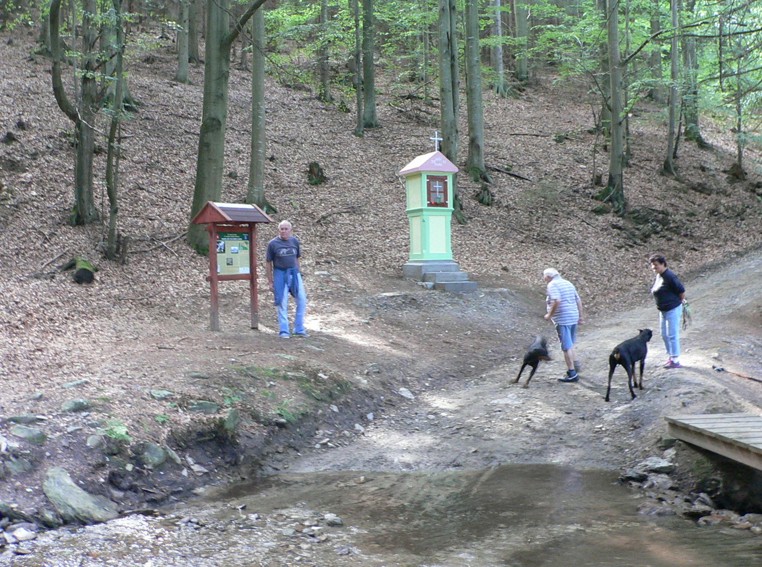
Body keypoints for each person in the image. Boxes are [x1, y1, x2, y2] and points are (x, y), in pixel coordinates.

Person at [266, 220, 308, 338]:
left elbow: (296, 258)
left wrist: (298, 273)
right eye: (282, 229)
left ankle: (299, 328)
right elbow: (268, 263)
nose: (284, 231)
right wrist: (270, 281)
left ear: (290, 230)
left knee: (302, 300)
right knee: (282, 301)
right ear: (279, 230)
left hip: (294, 273)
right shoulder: (273, 244)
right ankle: (284, 330)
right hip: (280, 273)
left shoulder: (294, 241)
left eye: (286, 229)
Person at [543, 268, 584, 383]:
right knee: (570, 343)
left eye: (544, 276)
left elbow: (557, 301)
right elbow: (578, 300)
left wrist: (549, 315)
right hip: (573, 316)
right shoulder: (568, 283)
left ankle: (572, 373)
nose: (543, 279)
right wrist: (580, 316)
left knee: (566, 346)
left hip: (563, 319)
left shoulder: (552, 285)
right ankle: (575, 364)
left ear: (548, 276)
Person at [649, 254, 686, 369]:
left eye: (656, 265)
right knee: (664, 334)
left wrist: (679, 303)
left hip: (672, 309)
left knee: (672, 335)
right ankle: (670, 356)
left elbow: (681, 291)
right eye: (652, 266)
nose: (654, 268)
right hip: (663, 310)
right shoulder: (659, 275)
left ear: (663, 264)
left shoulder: (670, 276)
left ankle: (675, 359)